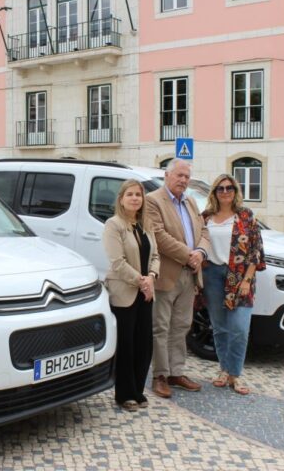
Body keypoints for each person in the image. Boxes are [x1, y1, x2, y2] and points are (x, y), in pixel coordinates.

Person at [145, 158, 211, 399]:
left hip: (190, 274)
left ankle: (176, 372)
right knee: (160, 327)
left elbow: (204, 231)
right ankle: (160, 376)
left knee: (181, 325)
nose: (183, 180)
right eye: (179, 175)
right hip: (166, 274)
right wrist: (188, 255)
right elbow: (158, 236)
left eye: (186, 176)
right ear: (167, 175)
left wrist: (201, 252)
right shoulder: (153, 201)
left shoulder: (191, 201)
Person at [200, 173, 265, 395]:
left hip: (240, 277)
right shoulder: (205, 217)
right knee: (219, 327)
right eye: (220, 188)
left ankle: (235, 374)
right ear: (214, 192)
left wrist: (247, 279)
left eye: (229, 188)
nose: (225, 192)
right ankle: (224, 370)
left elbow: (256, 251)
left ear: (236, 191)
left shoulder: (246, 216)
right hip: (212, 276)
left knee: (239, 328)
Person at [103, 179, 160, 412]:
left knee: (144, 344)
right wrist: (141, 281)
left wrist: (152, 277)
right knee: (126, 344)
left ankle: (138, 390)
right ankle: (124, 394)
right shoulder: (113, 225)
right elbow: (117, 262)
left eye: (138, 194)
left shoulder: (146, 224)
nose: (135, 198)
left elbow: (156, 255)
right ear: (121, 199)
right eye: (130, 194)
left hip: (146, 292)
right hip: (125, 292)